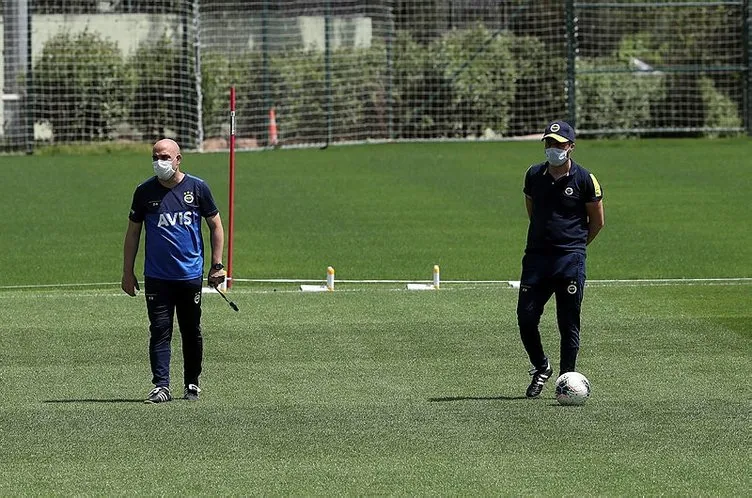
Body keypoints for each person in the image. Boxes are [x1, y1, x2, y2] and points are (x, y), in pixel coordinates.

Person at [122, 138, 227, 404]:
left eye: (165, 157)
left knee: (191, 330)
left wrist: (217, 265)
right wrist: (127, 271)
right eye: (156, 157)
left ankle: (192, 383)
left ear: (178, 159)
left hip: (189, 275)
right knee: (159, 330)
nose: (160, 162)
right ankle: (161, 386)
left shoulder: (198, 188)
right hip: (157, 277)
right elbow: (133, 232)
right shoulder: (144, 192)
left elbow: (216, 225)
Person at [517, 120, 604, 398]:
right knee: (526, 317)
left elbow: (597, 221)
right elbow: (533, 210)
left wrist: (575, 247)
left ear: (571, 147)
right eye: (549, 143)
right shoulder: (533, 175)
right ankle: (541, 366)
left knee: (568, 323)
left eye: (558, 144)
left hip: (569, 260)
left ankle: (567, 380)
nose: (553, 148)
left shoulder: (585, 179)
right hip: (537, 259)